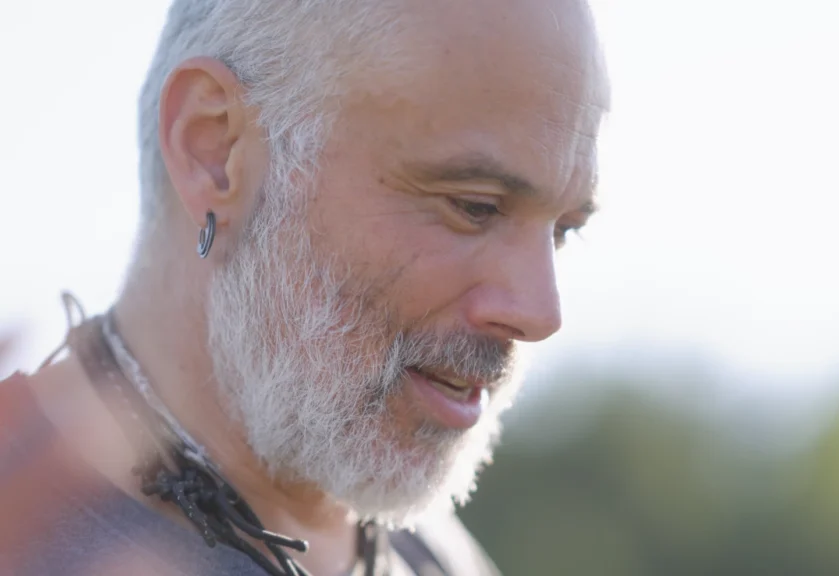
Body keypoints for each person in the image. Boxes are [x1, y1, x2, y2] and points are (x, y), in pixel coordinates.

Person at [0, 0, 609, 574]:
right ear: (215, 150)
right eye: (474, 207)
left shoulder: (443, 557)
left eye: (562, 232)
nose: (539, 312)